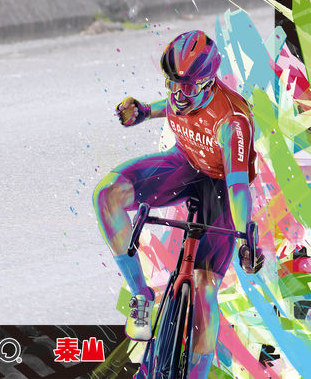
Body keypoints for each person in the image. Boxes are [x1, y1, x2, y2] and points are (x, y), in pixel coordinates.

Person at [93, 30, 265, 379]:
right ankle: (141, 295)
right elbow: (170, 105)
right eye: (173, 84)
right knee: (106, 195)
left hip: (222, 187)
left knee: (203, 290)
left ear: (209, 82)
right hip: (184, 163)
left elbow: (237, 187)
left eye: (187, 87)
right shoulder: (183, 91)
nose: (178, 95)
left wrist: (247, 238)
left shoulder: (232, 122)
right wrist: (144, 112)